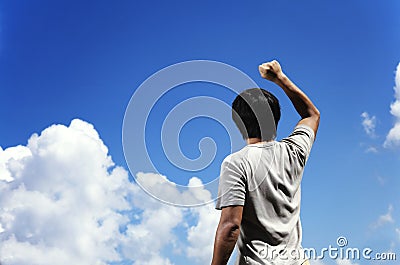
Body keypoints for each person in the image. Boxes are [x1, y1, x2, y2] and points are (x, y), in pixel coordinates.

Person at [211, 60, 320, 265]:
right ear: (276, 119)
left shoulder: (236, 163)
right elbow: (311, 114)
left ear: (239, 124)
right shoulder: (294, 151)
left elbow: (231, 227)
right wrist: (279, 77)